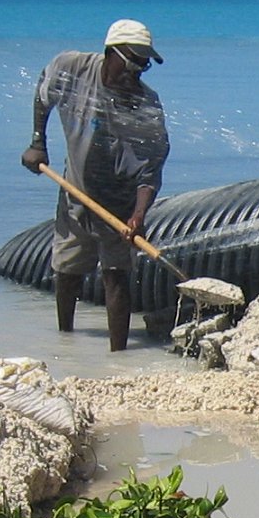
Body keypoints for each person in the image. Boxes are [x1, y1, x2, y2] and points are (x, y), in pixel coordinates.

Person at [20, 19, 170, 351]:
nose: (136, 72)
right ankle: (66, 344)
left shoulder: (144, 104)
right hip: (75, 192)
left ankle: (119, 356)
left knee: (116, 276)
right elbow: (43, 94)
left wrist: (138, 215)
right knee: (67, 271)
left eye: (144, 66)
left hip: (119, 201)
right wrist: (37, 143)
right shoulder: (72, 69)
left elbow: (151, 169)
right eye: (132, 62)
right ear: (110, 53)